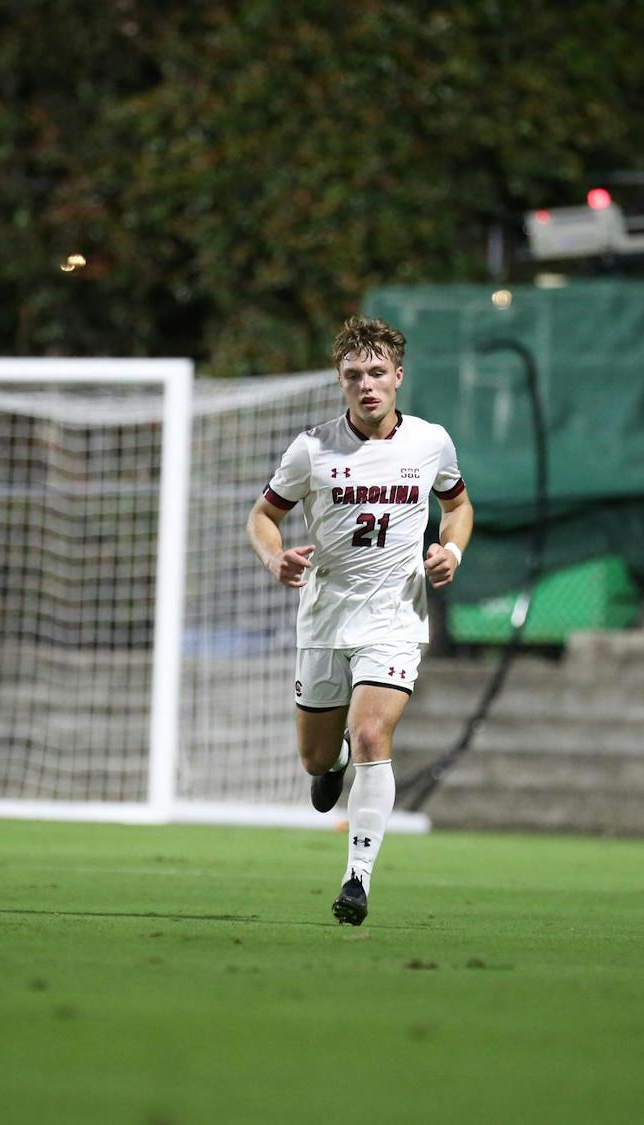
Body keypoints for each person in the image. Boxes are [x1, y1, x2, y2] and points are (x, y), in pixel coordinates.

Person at [246, 315, 473, 926]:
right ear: (339, 382)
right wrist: (275, 557)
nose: (366, 385)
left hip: (395, 618)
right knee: (316, 761)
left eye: (377, 373)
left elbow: (457, 505)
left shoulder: (430, 442)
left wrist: (449, 551)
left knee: (373, 734)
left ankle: (357, 878)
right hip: (324, 620)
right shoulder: (312, 449)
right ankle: (333, 765)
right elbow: (262, 517)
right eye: (354, 376)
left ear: (399, 376)